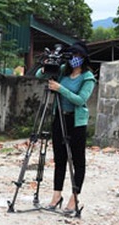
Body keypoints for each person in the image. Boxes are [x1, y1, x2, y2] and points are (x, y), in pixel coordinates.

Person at [37, 41, 95, 214]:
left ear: (83, 58)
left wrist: (60, 89)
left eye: (77, 56)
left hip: (76, 122)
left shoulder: (87, 78)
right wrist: (47, 65)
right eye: (72, 56)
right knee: (59, 158)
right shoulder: (62, 71)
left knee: (78, 160)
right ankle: (56, 196)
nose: (74, 59)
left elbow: (80, 100)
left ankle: (74, 197)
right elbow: (40, 75)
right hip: (59, 118)